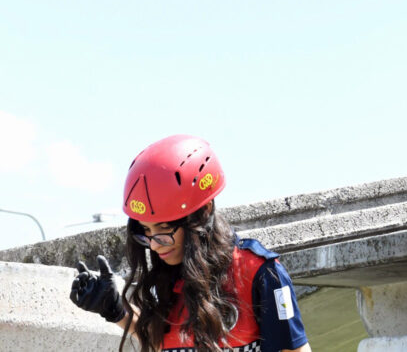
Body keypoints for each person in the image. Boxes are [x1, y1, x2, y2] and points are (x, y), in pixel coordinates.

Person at [69, 134, 311, 352]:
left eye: (164, 229)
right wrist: (115, 309)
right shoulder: (170, 277)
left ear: (203, 212)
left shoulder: (260, 273)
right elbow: (163, 344)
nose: (154, 245)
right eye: (146, 231)